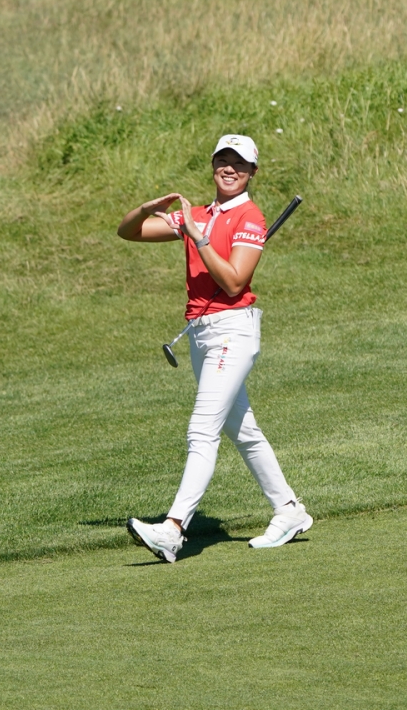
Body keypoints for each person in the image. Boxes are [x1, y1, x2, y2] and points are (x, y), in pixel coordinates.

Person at [118, 134, 311, 564]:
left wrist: (198, 237)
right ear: (213, 165)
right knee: (241, 429)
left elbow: (235, 282)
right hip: (202, 335)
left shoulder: (250, 218)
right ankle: (289, 510)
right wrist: (153, 208)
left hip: (232, 332)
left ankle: (173, 528)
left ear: (252, 173)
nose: (229, 169)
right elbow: (129, 231)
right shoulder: (198, 214)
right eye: (223, 160)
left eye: (239, 164)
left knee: (201, 428)